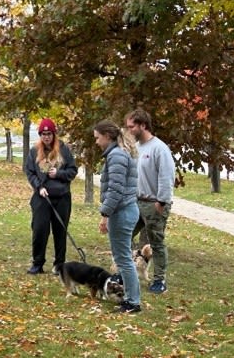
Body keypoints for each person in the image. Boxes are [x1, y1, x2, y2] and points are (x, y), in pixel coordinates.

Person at [94, 119, 142, 314]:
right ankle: (127, 296)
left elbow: (115, 190)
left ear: (107, 136)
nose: (96, 142)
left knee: (123, 259)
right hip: (122, 211)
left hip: (122, 212)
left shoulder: (117, 156)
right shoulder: (117, 154)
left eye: (97, 138)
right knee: (122, 257)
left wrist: (105, 214)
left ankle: (133, 302)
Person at [125, 108, 175, 294]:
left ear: (143, 125)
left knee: (156, 242)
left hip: (155, 203)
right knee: (125, 234)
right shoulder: (137, 148)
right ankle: (127, 272)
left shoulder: (159, 148)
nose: (129, 130)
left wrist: (161, 202)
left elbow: (166, 177)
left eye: (132, 127)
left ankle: (159, 280)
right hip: (136, 202)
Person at [24, 118, 78, 274]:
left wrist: (59, 174)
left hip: (61, 197)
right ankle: (38, 263)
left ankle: (59, 264)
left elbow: (72, 171)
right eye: (43, 134)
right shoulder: (34, 151)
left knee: (60, 231)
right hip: (42, 197)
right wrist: (38, 187)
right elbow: (30, 172)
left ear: (54, 134)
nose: (46, 137)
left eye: (49, 134)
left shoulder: (63, 150)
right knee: (39, 230)